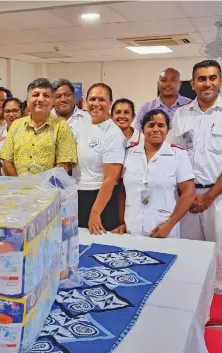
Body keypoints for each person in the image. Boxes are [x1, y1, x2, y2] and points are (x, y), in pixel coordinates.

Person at [168, 60, 222, 276]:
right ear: (192, 84)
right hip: (186, 197)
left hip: (217, 198)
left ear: (220, 81)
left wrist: (209, 196)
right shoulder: (181, 114)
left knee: (219, 255)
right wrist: (187, 193)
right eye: (201, 79)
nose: (207, 83)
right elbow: (173, 153)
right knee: (189, 254)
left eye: (212, 78)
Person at [112, 109, 195, 238]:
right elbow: (123, 191)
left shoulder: (178, 154)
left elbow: (189, 193)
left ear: (167, 129)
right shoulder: (129, 152)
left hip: (163, 231)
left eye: (161, 125)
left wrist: (169, 225)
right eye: (150, 125)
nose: (156, 129)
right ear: (142, 129)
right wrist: (122, 222)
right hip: (131, 229)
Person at [74, 83, 126, 234]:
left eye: (101, 100)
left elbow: (111, 179)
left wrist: (95, 213)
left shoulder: (113, 134)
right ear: (85, 102)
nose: (96, 104)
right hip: (79, 196)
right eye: (92, 99)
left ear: (110, 103)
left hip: (100, 200)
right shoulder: (82, 129)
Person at [0, 78, 77, 176]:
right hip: (18, 189)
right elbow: (7, 161)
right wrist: (19, 184)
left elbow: (64, 164)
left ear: (52, 101)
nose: (40, 99)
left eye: (46, 95)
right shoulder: (16, 125)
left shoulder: (61, 126)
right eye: (36, 95)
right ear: (28, 101)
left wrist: (42, 186)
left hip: (49, 189)